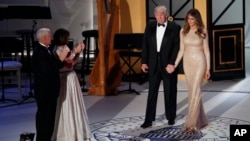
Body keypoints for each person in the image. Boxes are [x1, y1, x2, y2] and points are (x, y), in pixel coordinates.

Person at [140, 5, 181, 128]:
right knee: (152, 92)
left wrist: (172, 63)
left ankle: (171, 117)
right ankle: (148, 120)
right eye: (158, 14)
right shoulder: (150, 26)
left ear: (167, 14)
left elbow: (176, 47)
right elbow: (145, 44)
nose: (160, 17)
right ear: (155, 15)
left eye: (162, 14)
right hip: (153, 64)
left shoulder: (175, 27)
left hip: (168, 65)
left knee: (170, 92)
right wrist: (144, 61)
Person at [51, 28, 91, 141]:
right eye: (67, 37)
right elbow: (67, 64)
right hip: (64, 78)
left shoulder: (65, 48)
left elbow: (73, 63)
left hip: (71, 77)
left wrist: (78, 52)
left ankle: (76, 128)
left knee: (74, 103)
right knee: (65, 103)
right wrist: (75, 51)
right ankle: (65, 131)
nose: (68, 39)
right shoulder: (57, 49)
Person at [174, 8, 210, 132]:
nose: (190, 21)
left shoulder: (203, 31)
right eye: (188, 18)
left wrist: (208, 68)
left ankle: (192, 124)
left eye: (192, 19)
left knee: (196, 90)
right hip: (187, 63)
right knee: (192, 92)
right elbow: (181, 50)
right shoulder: (183, 31)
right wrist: (174, 64)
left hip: (200, 62)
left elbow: (207, 51)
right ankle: (202, 121)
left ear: (197, 19)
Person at [32, 28, 68, 141]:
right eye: (50, 36)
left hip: (50, 90)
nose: (52, 38)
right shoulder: (39, 52)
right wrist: (61, 59)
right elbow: (49, 69)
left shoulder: (48, 49)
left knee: (50, 118)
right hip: (44, 91)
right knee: (44, 118)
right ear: (44, 37)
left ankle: (47, 138)